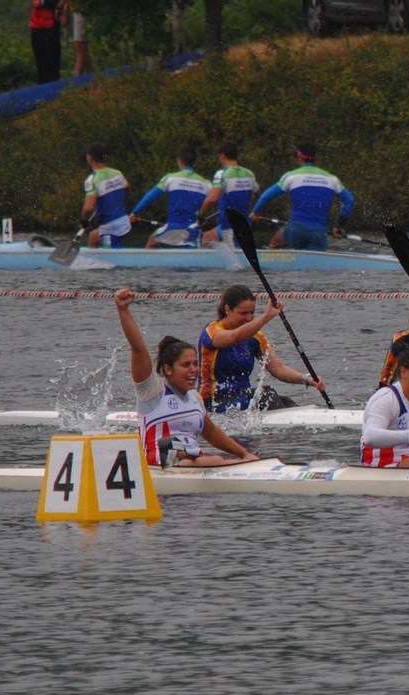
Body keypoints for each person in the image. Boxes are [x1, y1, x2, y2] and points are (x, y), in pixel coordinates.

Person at [115, 288, 257, 468]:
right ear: (168, 369)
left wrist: (245, 454)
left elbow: (212, 433)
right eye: (185, 365)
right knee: (214, 460)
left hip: (194, 461)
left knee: (216, 460)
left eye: (195, 364)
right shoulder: (151, 390)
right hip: (160, 467)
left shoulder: (194, 397)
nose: (193, 370)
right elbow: (137, 348)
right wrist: (123, 310)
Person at [199, 284, 325, 413]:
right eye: (243, 313)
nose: (249, 318)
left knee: (285, 401)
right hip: (214, 401)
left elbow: (278, 369)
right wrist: (267, 316)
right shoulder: (211, 332)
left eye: (252, 313)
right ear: (228, 310)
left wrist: (307, 379)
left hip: (242, 398)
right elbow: (234, 337)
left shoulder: (256, 337)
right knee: (267, 395)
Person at [249, 142, 355, 251]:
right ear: (316, 158)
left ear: (299, 158)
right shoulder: (332, 179)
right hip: (318, 232)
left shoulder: (291, 176)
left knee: (276, 241)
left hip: (296, 230)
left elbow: (267, 196)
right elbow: (349, 201)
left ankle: (271, 257)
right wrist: (340, 226)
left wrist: (254, 212)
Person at [130, 147, 209, 248]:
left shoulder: (170, 178)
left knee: (152, 241)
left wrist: (134, 212)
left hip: (172, 227)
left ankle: (145, 263)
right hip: (193, 229)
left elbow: (149, 197)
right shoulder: (206, 184)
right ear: (195, 163)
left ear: (180, 162)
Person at [199, 142, 257, 247]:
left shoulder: (222, 174)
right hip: (245, 224)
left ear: (222, 156)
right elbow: (255, 194)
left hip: (228, 227)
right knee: (204, 239)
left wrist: (200, 215)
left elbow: (212, 199)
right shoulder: (249, 174)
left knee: (234, 257)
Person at [81, 143, 132, 248]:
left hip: (110, 227)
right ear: (105, 157)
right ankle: (89, 259)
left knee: (110, 262)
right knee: (93, 237)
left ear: (89, 158)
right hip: (124, 221)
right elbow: (127, 189)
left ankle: (101, 260)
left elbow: (88, 208)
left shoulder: (92, 180)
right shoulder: (117, 173)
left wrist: (84, 220)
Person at [29, 0, 62, 85]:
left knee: (51, 60)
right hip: (36, 26)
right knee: (40, 60)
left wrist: (42, 3)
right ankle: (41, 87)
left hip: (50, 25)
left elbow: (57, 3)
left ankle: (54, 87)